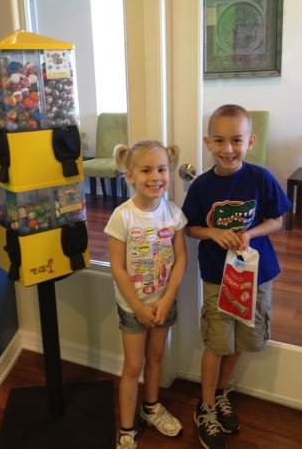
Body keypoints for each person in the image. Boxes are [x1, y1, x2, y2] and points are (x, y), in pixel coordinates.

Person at [182, 104, 291, 449]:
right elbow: (191, 229)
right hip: (217, 276)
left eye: (236, 140)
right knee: (217, 341)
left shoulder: (261, 178)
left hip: (257, 275)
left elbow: (278, 220)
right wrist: (213, 234)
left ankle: (220, 393)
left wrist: (252, 232)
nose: (228, 149)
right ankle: (206, 407)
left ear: (250, 142)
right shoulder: (200, 186)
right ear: (207, 142)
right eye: (219, 140)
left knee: (242, 339)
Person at [104, 140, 187, 449]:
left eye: (162, 169)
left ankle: (151, 407)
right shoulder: (122, 217)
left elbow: (181, 259)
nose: (156, 177)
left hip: (163, 304)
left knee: (156, 357)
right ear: (130, 176)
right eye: (146, 170)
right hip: (133, 308)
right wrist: (137, 306)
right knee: (132, 366)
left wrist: (166, 300)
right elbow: (116, 266)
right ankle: (126, 429)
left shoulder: (174, 215)